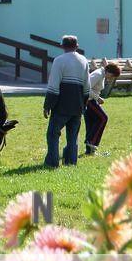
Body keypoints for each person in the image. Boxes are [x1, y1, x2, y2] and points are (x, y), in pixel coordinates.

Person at [43, 35, 90, 167]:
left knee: (53, 134)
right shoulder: (84, 61)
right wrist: (83, 104)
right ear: (77, 46)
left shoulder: (59, 61)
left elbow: (53, 86)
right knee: (73, 136)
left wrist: (47, 105)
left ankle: (52, 162)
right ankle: (70, 161)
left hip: (61, 106)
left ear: (62, 46)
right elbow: (87, 87)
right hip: (78, 106)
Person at [84, 62, 121, 154]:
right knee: (103, 118)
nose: (111, 78)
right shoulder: (98, 74)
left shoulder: (101, 74)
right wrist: (98, 98)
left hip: (90, 101)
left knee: (92, 123)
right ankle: (92, 143)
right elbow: (86, 88)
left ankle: (89, 150)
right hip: (89, 101)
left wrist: (97, 99)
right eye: (112, 76)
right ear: (109, 71)